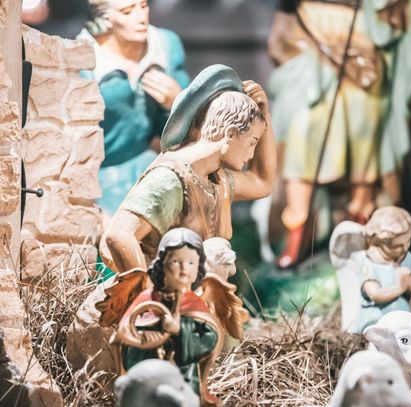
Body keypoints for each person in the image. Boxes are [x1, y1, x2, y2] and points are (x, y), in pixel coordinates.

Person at [268, 0, 411, 268]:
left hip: (365, 38)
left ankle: (360, 219)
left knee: (365, 127)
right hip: (311, 34)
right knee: (303, 129)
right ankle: (297, 224)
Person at [99, 64, 276, 274]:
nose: (252, 155)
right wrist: (148, 289)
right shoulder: (171, 179)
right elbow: (118, 236)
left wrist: (265, 113)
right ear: (229, 133)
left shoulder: (215, 180)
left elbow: (262, 182)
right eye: (252, 143)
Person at [80, 0, 189, 215]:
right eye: (127, 11)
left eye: (143, 5)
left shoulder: (164, 45)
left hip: (149, 166)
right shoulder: (84, 59)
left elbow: (190, 129)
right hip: (100, 180)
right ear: (106, 18)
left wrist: (176, 103)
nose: (141, 17)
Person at [115, 228, 223, 404]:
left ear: (199, 268)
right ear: (162, 263)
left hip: (182, 379)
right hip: (147, 375)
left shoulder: (194, 304)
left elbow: (210, 337)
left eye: (191, 262)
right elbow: (124, 331)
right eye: (176, 261)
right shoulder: (147, 298)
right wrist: (149, 331)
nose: (184, 269)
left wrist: (181, 329)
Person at [353, 206, 411, 333]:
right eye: (397, 246)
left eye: (408, 241)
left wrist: (410, 285)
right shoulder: (370, 262)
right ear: (379, 241)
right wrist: (400, 288)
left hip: (402, 318)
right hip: (376, 321)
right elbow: (375, 294)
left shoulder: (407, 258)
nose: (405, 249)